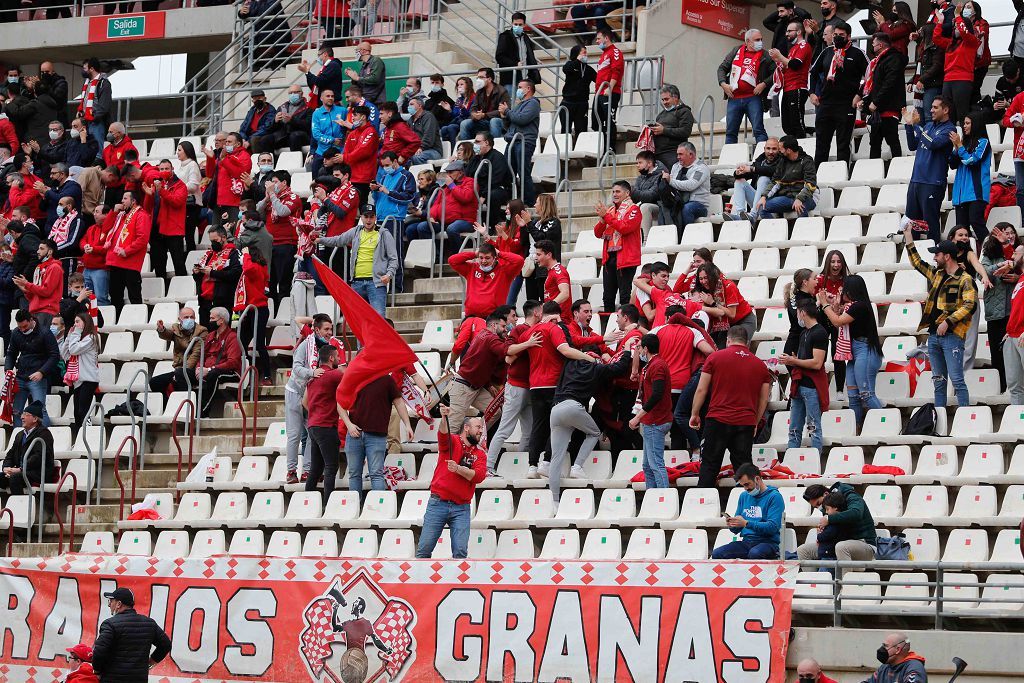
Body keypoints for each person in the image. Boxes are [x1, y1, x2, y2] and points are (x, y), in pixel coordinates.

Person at [548, 331, 632, 501]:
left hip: (556, 409)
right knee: (594, 433)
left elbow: (568, 344)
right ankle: (577, 466)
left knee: (556, 457)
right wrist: (628, 350)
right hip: (573, 406)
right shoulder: (597, 366)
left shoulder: (569, 363)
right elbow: (619, 368)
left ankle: (554, 500)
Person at [523, 301, 601, 478]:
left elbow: (511, 353)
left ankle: (532, 466)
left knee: (538, 425)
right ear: (555, 317)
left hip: (535, 384)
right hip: (554, 383)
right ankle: (546, 462)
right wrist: (589, 359)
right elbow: (566, 350)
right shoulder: (555, 329)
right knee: (556, 426)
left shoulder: (530, 331)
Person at [690, 325, 772, 488]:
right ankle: (752, 505)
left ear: (728, 340)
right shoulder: (760, 365)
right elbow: (763, 399)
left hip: (718, 419)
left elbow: (701, 389)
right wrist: (754, 421)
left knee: (709, 465)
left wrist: (695, 413)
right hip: (745, 422)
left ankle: (703, 506)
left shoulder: (715, 358)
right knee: (745, 469)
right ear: (747, 343)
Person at [905, 226, 977, 408]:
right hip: (934, 335)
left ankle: (965, 419)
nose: (934, 257)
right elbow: (916, 262)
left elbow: (970, 305)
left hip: (952, 336)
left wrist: (948, 321)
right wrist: (908, 236)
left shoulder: (965, 279)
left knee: (957, 380)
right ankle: (940, 419)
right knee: (938, 381)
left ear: (947, 257)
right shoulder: (937, 274)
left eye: (937, 254)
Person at [416, 403, 486, 559]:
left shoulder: (480, 454)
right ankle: (419, 581)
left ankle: (458, 583)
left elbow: (479, 476)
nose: (481, 431)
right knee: (424, 549)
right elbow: (442, 435)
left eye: (481, 428)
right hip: (438, 503)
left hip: (461, 507)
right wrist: (444, 417)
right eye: (478, 427)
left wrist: (459, 469)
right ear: (466, 428)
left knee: (460, 552)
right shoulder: (452, 441)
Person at [448, 310, 532, 431]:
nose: (505, 329)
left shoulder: (483, 334)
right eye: (503, 326)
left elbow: (480, 364)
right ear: (493, 325)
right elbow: (507, 351)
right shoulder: (490, 338)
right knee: (453, 427)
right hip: (463, 387)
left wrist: (487, 385)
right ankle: (451, 447)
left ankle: (472, 435)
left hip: (475, 387)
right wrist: (528, 344)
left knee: (494, 413)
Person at [341, 371, 412, 498]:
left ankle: (376, 509)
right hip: (358, 433)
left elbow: (399, 402)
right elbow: (339, 402)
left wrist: (408, 424)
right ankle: (357, 509)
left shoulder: (386, 379)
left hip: (373, 434)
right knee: (361, 474)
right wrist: (349, 425)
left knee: (372, 474)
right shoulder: (354, 377)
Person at [317, 204, 398, 317]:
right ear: (361, 217)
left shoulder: (384, 233)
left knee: (379, 317)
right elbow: (338, 240)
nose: (369, 220)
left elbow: (393, 258)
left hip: (376, 283)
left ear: (375, 217)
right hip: (356, 283)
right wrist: (319, 239)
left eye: (371, 216)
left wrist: (389, 275)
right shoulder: (356, 231)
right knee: (357, 319)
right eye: (366, 216)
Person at [809, 21, 867, 167]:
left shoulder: (858, 53)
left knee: (843, 143)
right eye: (835, 35)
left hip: (846, 104)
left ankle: (842, 175)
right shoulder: (827, 51)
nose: (838, 37)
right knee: (821, 143)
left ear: (849, 36)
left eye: (841, 35)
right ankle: (818, 179)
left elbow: (871, 76)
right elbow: (813, 73)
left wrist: (859, 95)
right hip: (826, 103)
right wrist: (811, 93)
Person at [283, 314, 333, 482]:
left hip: (311, 395)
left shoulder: (328, 349)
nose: (329, 332)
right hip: (295, 392)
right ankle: (291, 471)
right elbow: (296, 368)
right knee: (294, 435)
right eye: (326, 329)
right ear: (316, 330)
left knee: (313, 433)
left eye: (331, 329)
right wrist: (312, 372)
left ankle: (307, 471)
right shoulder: (306, 344)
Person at [625, 333, 675, 489]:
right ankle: (652, 499)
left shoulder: (657, 365)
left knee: (655, 464)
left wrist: (637, 417)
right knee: (647, 465)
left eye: (640, 348)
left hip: (656, 421)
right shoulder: (652, 365)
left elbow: (656, 395)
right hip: (651, 421)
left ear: (646, 349)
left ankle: (663, 499)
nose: (638, 351)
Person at [92, 587, 172, 682]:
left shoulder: (110, 624)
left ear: (119, 604)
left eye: (111, 601)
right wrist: (150, 663)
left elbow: (99, 652)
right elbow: (166, 645)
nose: (109, 604)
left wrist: (97, 671)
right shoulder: (149, 623)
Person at [905, 99, 957, 241]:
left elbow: (933, 143)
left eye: (935, 107)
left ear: (945, 110)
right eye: (931, 107)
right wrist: (909, 125)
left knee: (930, 224)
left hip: (932, 182)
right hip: (916, 180)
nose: (931, 110)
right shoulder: (928, 126)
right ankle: (912, 258)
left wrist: (916, 126)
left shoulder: (950, 129)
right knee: (912, 223)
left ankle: (935, 258)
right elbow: (912, 145)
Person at [710, 463, 785, 560]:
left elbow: (773, 527)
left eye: (747, 484)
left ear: (757, 479)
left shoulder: (774, 497)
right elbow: (736, 530)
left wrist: (746, 523)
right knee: (717, 554)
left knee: (755, 553)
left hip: (768, 543)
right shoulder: (744, 496)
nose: (745, 488)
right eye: (742, 485)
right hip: (747, 542)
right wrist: (733, 524)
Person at [781, 301, 828, 450]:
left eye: (797, 313)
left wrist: (794, 360)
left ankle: (814, 464)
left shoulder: (820, 332)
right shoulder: (804, 333)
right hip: (799, 385)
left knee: (813, 428)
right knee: (794, 429)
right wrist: (794, 360)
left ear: (803, 313)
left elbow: (817, 363)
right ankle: (791, 462)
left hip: (811, 387)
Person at [857, 32, 909, 160]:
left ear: (880, 45)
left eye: (873, 44)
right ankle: (873, 171)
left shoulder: (893, 58)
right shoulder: (877, 62)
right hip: (878, 111)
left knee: (892, 140)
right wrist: (865, 100)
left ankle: (898, 168)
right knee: (874, 143)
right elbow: (875, 85)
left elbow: (889, 83)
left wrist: (876, 102)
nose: (872, 46)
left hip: (890, 108)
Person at [303, 344, 344, 503]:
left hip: (313, 426)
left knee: (315, 468)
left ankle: (307, 503)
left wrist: (316, 412)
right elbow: (350, 377)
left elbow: (304, 402)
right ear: (331, 358)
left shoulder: (313, 378)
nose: (340, 359)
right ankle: (328, 505)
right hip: (326, 426)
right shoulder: (333, 375)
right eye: (338, 357)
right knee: (331, 467)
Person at [717, 28, 772, 145]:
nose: (760, 42)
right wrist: (723, 84)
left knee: (758, 130)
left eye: (761, 39)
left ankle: (763, 159)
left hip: (754, 97)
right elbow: (722, 68)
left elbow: (776, 73)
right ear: (748, 41)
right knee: (731, 132)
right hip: (734, 98)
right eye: (757, 40)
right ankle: (729, 160)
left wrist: (764, 84)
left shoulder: (765, 55)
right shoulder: (736, 51)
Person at [594, 179, 641, 312]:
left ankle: (626, 327)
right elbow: (597, 233)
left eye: (618, 191)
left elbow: (625, 228)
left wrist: (607, 217)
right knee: (607, 297)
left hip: (626, 259)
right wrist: (603, 219)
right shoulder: (610, 211)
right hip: (609, 257)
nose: (614, 194)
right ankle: (608, 325)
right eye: (613, 191)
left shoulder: (634, 209)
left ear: (627, 193)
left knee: (624, 296)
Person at [798, 482, 877, 561]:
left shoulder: (851, 496)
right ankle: (812, 574)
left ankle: (846, 573)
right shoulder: (827, 506)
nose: (820, 507)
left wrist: (829, 519)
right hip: (838, 543)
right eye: (816, 507)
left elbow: (856, 513)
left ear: (825, 494)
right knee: (803, 550)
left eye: (819, 503)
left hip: (864, 543)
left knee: (841, 547)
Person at [981, 226, 1018, 391]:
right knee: (997, 354)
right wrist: (1001, 265)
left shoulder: (1016, 252)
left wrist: (1016, 275)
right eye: (1004, 234)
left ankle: (1015, 388)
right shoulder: (989, 256)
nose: (1008, 236)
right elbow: (982, 273)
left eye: (1011, 233)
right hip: (995, 313)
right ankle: (1001, 388)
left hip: (1014, 312)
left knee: (1015, 353)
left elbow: (1019, 266)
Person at [450, 242, 524, 318]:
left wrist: (499, 253)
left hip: (494, 318)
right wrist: (474, 254)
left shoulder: (504, 271)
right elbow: (452, 260)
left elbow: (519, 261)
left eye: (487, 258)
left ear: (495, 257)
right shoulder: (471, 268)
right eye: (481, 258)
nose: (483, 261)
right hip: (471, 316)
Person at [950, 111, 992, 244]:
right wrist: (956, 147)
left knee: (976, 222)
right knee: (961, 232)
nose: (964, 126)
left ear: (976, 124)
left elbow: (972, 161)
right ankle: (966, 260)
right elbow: (952, 164)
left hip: (976, 192)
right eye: (964, 123)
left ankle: (992, 252)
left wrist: (960, 147)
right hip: (961, 195)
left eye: (968, 123)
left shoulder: (984, 142)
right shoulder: (963, 143)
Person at [933, 4, 978, 122]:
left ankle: (965, 140)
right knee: (948, 115)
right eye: (955, 27)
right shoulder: (950, 43)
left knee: (962, 114)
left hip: (963, 80)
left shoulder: (972, 41)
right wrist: (940, 22)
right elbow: (936, 38)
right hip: (947, 80)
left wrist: (958, 16)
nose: (956, 29)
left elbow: (964, 32)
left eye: (957, 27)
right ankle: (950, 140)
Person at [755, 135, 818, 219]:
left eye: (780, 148)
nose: (779, 150)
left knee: (800, 208)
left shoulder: (807, 161)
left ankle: (803, 231)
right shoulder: (782, 161)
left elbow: (810, 185)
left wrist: (799, 199)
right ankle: (776, 230)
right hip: (788, 198)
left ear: (788, 150)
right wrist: (764, 196)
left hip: (808, 197)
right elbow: (775, 182)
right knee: (761, 207)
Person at [145, 159, 188, 279]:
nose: (164, 171)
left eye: (166, 169)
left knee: (178, 263)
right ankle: (162, 289)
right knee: (159, 265)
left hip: (173, 230)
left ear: (172, 169)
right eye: (161, 169)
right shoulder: (158, 185)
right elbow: (148, 207)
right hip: (157, 230)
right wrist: (149, 195)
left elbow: (177, 202)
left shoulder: (181, 185)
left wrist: (161, 191)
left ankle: (182, 290)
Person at [235, 246, 271, 384]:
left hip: (259, 309)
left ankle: (267, 375)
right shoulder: (256, 266)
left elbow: (248, 269)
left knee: (260, 343)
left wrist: (245, 255)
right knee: (242, 343)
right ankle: (252, 369)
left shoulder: (255, 267)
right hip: (249, 310)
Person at [193, 225, 242, 328]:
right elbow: (199, 278)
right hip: (205, 301)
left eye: (215, 240)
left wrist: (213, 273)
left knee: (220, 335)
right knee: (205, 334)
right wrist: (197, 273)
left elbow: (235, 274)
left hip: (221, 301)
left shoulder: (233, 253)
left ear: (224, 237)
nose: (213, 243)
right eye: (211, 241)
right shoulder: (209, 254)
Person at [0, 401, 54, 494]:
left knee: (15, 477)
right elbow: (10, 454)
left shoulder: (44, 433)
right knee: (2, 477)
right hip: (22, 471)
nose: (22, 417)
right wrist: (6, 468)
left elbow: (38, 457)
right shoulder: (20, 434)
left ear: (35, 419)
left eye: (26, 415)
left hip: (38, 472)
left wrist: (20, 469)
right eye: (22, 414)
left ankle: (20, 507)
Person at [502, 79, 541, 207]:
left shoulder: (533, 103)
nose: (517, 89)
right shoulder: (519, 104)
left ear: (528, 89)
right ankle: (511, 201)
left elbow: (522, 119)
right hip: (513, 141)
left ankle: (529, 202)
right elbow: (510, 124)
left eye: (520, 87)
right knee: (507, 172)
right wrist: (504, 116)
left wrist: (508, 111)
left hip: (524, 142)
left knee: (523, 172)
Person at [61, 312, 100, 439]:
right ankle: (79, 439)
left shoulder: (92, 338)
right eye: (74, 321)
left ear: (86, 322)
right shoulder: (77, 338)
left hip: (88, 379)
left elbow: (74, 350)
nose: (75, 324)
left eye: (78, 321)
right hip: (78, 380)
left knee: (83, 411)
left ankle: (88, 438)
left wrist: (75, 334)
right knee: (77, 413)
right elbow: (65, 354)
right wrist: (69, 337)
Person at [150, 308, 208, 394]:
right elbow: (168, 335)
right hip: (179, 369)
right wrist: (162, 329)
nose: (189, 319)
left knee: (179, 377)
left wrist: (182, 372)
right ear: (179, 319)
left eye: (192, 317)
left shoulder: (202, 331)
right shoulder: (176, 328)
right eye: (186, 317)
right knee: (154, 382)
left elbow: (196, 354)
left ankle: (187, 403)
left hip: (194, 369)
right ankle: (168, 404)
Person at [769, 22, 812, 137]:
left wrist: (780, 56)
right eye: (786, 31)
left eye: (789, 31)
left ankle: (803, 147)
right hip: (787, 88)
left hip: (797, 87)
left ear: (798, 32)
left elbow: (795, 64)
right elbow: (787, 67)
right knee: (787, 125)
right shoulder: (793, 49)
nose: (786, 34)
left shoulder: (804, 45)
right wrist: (777, 60)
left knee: (796, 123)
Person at [466, 131, 513, 227]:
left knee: (492, 195)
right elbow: (468, 175)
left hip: (498, 189)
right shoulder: (475, 159)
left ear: (486, 143)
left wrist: (484, 195)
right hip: (479, 190)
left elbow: (496, 180)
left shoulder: (498, 157)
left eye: (477, 142)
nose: (475, 145)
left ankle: (493, 225)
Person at [728, 136, 780, 220]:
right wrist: (739, 173)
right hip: (757, 201)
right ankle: (740, 214)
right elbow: (748, 173)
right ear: (764, 149)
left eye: (774, 149)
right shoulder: (761, 160)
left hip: (772, 202)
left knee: (763, 179)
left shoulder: (782, 161)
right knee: (739, 181)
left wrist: (753, 169)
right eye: (768, 148)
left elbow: (772, 171)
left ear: (779, 149)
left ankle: (753, 215)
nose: (770, 152)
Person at [15, 238, 62, 329]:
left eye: (41, 249)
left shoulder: (55, 267)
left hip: (47, 311)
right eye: (38, 249)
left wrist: (27, 284)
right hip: (35, 311)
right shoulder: (38, 268)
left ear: (50, 252)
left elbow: (46, 291)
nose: (38, 251)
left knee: (41, 342)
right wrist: (25, 289)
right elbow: (33, 296)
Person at [665, 141, 710, 234]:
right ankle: (669, 238)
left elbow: (691, 185)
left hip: (698, 204)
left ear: (691, 154)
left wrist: (670, 181)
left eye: (680, 154)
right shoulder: (676, 166)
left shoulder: (701, 168)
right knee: (664, 206)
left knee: (687, 208)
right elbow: (672, 185)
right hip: (679, 201)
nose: (678, 157)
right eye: (677, 154)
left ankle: (687, 238)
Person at [523, 195, 562, 301]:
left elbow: (540, 239)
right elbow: (526, 241)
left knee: (545, 302)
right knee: (531, 302)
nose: (534, 205)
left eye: (537, 202)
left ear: (544, 205)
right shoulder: (536, 222)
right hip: (532, 266)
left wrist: (528, 223)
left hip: (545, 270)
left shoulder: (554, 223)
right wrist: (523, 226)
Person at [593, 27, 624, 152]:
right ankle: (601, 147)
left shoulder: (615, 52)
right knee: (596, 122)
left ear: (606, 38)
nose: (596, 41)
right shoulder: (604, 54)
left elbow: (616, 71)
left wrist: (609, 88)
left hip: (609, 93)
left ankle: (610, 148)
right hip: (599, 93)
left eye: (598, 38)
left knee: (609, 121)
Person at [650, 83, 695, 171]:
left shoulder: (685, 112)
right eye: (662, 100)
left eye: (666, 99)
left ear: (675, 97)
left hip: (673, 154)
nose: (664, 102)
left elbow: (685, 132)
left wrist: (664, 130)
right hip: (658, 154)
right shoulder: (661, 115)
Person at [460, 67, 509, 141]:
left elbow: (502, 110)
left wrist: (484, 115)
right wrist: (474, 114)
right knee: (464, 123)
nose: (478, 80)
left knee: (494, 121)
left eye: (481, 77)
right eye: (477, 77)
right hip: (483, 120)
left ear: (489, 79)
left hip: (499, 121)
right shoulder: (479, 92)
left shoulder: (502, 91)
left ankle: (495, 148)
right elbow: (474, 107)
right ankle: (466, 149)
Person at [495, 12, 540, 91]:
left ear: (524, 25)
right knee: (509, 102)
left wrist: (535, 63)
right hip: (510, 80)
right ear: (512, 23)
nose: (517, 26)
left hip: (525, 79)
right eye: (515, 24)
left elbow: (527, 55)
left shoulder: (526, 38)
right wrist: (515, 64)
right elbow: (499, 57)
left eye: (520, 25)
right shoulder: (505, 37)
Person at [76, 58, 112, 156]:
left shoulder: (103, 83)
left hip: (96, 122)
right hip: (86, 121)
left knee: (97, 150)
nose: (83, 71)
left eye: (85, 68)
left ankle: (98, 166)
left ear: (91, 69)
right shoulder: (87, 83)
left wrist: (93, 116)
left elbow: (104, 106)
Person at [560, 46, 596, 139]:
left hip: (582, 103)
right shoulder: (570, 64)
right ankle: (565, 151)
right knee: (565, 130)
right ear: (577, 54)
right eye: (583, 53)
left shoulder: (588, 69)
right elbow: (565, 69)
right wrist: (577, 61)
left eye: (586, 53)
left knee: (581, 130)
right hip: (568, 103)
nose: (586, 55)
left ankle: (579, 148)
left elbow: (598, 79)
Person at [309, 89, 345, 181]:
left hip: (338, 152)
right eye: (328, 96)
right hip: (321, 152)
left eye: (332, 96)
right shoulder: (317, 113)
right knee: (316, 181)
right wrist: (332, 140)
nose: (330, 98)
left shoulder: (342, 111)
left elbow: (348, 128)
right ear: (321, 98)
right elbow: (316, 134)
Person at [863, 633, 928, 683]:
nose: (881, 649)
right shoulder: (884, 667)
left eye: (886, 646)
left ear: (898, 650)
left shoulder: (914, 667)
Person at [79, 205, 111, 305]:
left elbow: (109, 248)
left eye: (97, 212)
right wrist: (85, 246)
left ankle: (105, 320)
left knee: (101, 298)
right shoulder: (91, 228)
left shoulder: (110, 229)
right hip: (87, 268)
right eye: (94, 211)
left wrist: (93, 249)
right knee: (86, 299)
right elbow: (83, 240)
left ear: (106, 215)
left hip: (100, 268)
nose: (94, 214)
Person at [631, 150, 670, 225]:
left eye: (640, 162)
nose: (637, 165)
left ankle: (645, 236)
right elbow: (634, 196)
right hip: (642, 204)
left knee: (645, 207)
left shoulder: (661, 175)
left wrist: (632, 192)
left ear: (649, 163)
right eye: (637, 163)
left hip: (659, 206)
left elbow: (652, 196)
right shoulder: (640, 177)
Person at [345, 42, 387, 106]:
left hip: (376, 101)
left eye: (357, 50)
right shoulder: (364, 65)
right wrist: (353, 77)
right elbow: (360, 83)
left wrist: (357, 78)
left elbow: (375, 79)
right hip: (366, 99)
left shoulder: (376, 61)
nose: (356, 53)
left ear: (363, 51)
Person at [441, 77, 477, 145]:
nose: (459, 86)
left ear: (468, 85)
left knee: (451, 127)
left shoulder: (474, 98)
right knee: (444, 129)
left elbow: (471, 114)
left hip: (470, 122)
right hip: (459, 122)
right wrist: (450, 110)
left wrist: (463, 108)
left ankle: (454, 150)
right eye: (458, 85)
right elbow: (455, 114)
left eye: (461, 84)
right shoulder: (459, 99)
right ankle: (448, 150)